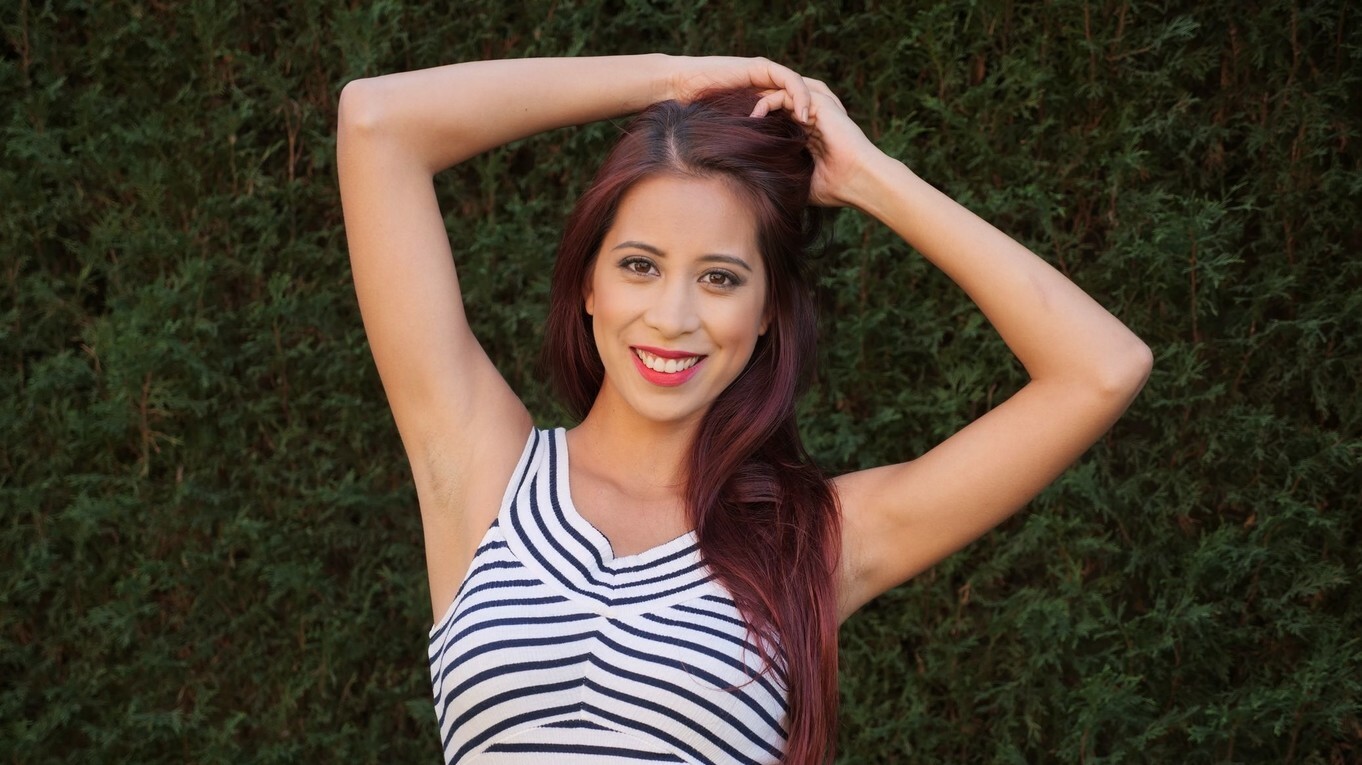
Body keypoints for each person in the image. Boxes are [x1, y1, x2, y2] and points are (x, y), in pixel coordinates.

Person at [336, 54, 1151, 765]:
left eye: (720, 278)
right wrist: (673, 80)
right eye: (640, 265)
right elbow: (377, 123)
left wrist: (868, 177)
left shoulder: (809, 543)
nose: (673, 316)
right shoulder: (484, 473)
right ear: (589, 284)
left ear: (767, 313)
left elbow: (1102, 368)